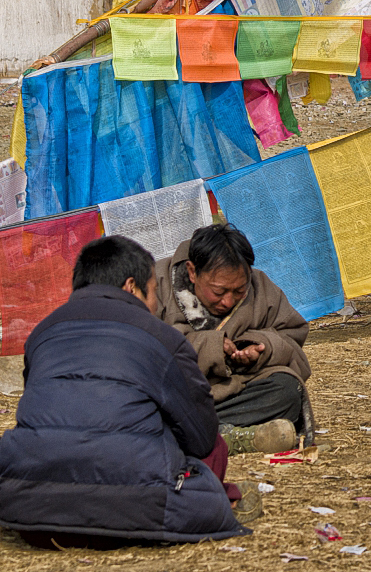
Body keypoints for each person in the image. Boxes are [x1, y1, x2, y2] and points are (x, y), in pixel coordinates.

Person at [0, 236, 256, 547]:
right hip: (136, 510)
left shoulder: (40, 334)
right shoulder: (162, 338)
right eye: (153, 293)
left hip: (30, 512)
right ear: (131, 287)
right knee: (213, 445)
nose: (156, 305)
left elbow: (44, 413)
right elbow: (201, 437)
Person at [157, 223, 311, 455]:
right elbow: (144, 349)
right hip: (176, 398)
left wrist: (261, 347)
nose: (228, 302)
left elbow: (292, 340)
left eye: (239, 291)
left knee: (287, 391)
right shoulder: (156, 284)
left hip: (232, 398)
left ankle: (200, 432)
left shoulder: (261, 288)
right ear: (192, 271)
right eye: (218, 292)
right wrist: (210, 347)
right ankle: (215, 434)